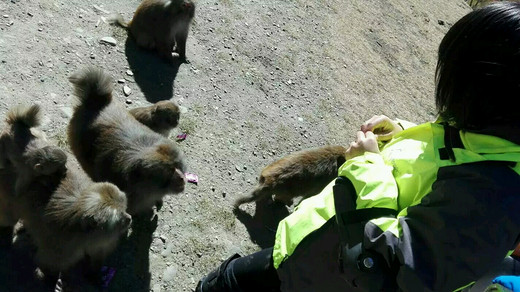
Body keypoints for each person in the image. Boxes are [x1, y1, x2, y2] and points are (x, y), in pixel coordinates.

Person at [196, 2, 520, 291]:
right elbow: (445, 155)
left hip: (325, 275)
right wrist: (399, 134)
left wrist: (365, 166)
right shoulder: (490, 132)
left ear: (488, 95)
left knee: (226, 284)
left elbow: (387, 271)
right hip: (313, 247)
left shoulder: (496, 199)